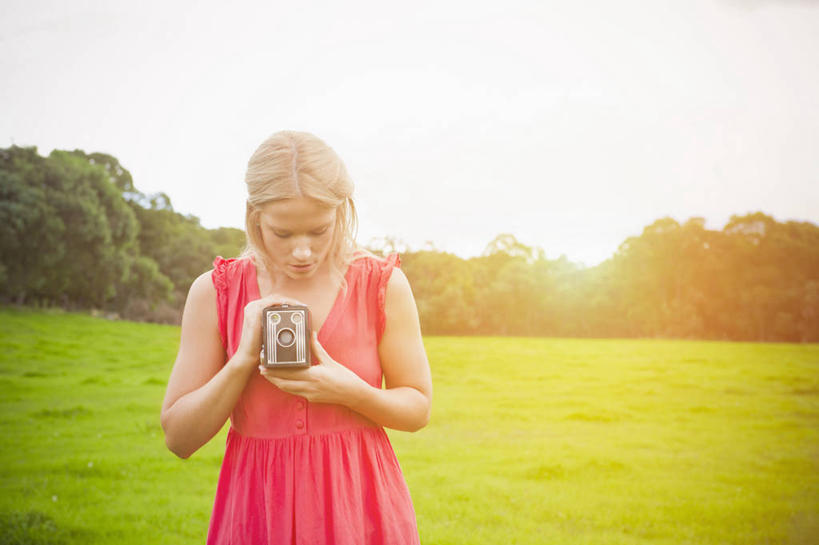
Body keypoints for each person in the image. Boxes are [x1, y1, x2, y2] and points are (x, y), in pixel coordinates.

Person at [160, 131, 432, 544]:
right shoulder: (215, 292)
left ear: (342, 212)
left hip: (360, 505)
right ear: (254, 216)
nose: (302, 252)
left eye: (319, 231)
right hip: (258, 510)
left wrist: (350, 391)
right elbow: (179, 439)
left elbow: (417, 408)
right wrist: (242, 360)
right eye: (283, 234)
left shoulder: (382, 284)